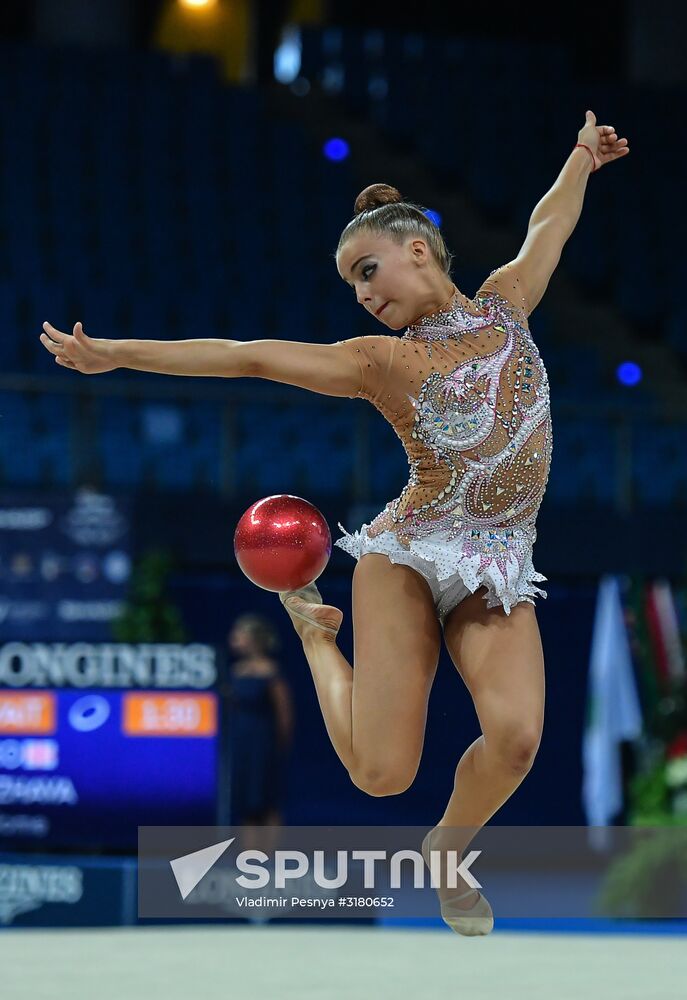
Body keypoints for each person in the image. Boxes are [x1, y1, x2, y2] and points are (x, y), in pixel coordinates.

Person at [38, 110, 629, 935]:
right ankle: (316, 635)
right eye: (350, 283)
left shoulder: (506, 306)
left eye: (368, 269)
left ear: (418, 248)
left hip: (496, 559)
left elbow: (548, 225)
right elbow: (243, 353)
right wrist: (118, 354)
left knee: (518, 740)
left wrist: (578, 158)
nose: (361, 293)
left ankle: (447, 854)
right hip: (409, 555)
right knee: (381, 774)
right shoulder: (377, 360)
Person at [222, 612, 294, 859]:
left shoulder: (270, 672)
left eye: (238, 635)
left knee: (267, 800)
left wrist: (278, 746)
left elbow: (284, 714)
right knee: (247, 803)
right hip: (241, 744)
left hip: (264, 745)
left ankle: (271, 856)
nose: (233, 640)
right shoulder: (235, 671)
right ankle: (251, 857)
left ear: (253, 639)